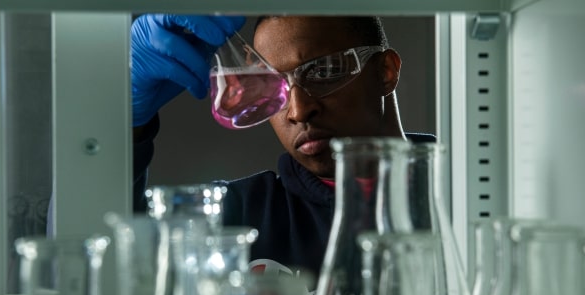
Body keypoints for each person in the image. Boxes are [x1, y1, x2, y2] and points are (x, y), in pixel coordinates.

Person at [130, 14, 434, 281]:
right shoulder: (238, 218)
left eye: (324, 71)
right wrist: (126, 122)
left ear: (386, 71)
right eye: (274, 86)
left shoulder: (464, 192)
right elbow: (121, 250)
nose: (298, 111)